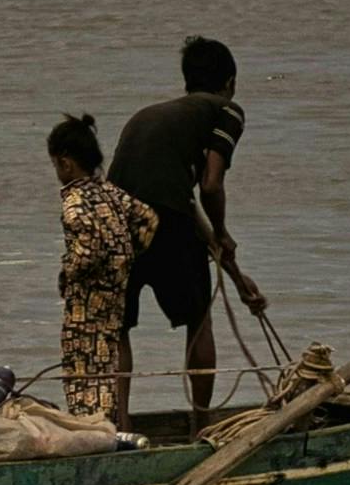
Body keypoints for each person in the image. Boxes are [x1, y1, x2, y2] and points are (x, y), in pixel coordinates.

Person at [107, 38, 269, 417]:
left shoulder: (152, 116)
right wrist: (224, 230)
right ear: (229, 82)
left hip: (114, 222)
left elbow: (182, 202)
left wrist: (236, 277)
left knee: (118, 328)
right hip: (166, 219)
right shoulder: (226, 110)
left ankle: (119, 426)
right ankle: (201, 423)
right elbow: (209, 186)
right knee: (198, 320)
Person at [47, 113, 155, 425]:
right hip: (114, 296)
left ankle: (92, 428)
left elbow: (86, 250)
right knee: (107, 360)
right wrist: (125, 256)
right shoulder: (110, 192)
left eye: (56, 165)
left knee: (83, 369)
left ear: (66, 163)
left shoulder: (74, 200)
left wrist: (68, 272)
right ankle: (114, 422)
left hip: (86, 301)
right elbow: (148, 218)